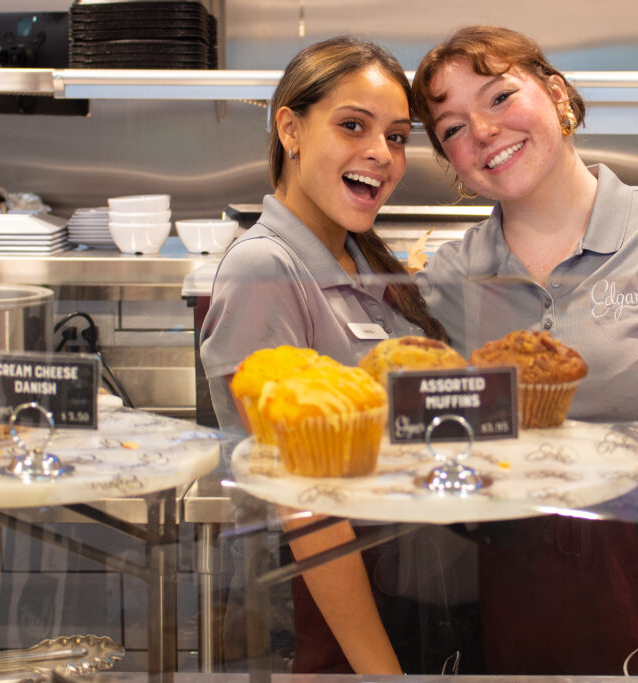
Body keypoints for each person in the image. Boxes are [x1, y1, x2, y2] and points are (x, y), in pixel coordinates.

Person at [410, 25, 638, 675]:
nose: (484, 131)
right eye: (453, 128)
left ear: (556, 95)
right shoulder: (447, 279)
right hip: (505, 599)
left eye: (499, 98)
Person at [199, 36, 447, 675]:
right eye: (353, 126)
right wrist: (379, 668)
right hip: (336, 616)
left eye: (396, 136)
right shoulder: (265, 268)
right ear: (291, 128)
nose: (381, 154)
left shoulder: (364, 258)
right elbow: (300, 503)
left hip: (405, 588)